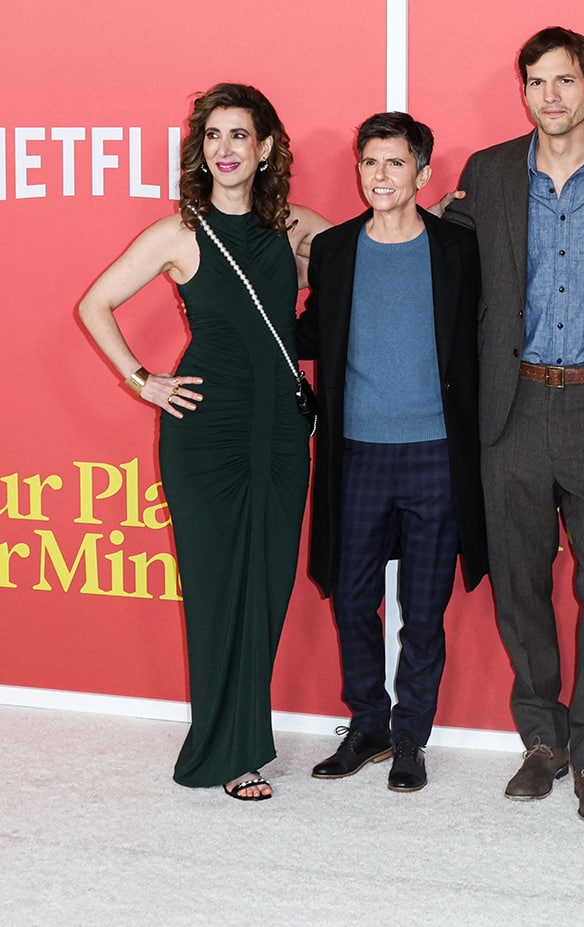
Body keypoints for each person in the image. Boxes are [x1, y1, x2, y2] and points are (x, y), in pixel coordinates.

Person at [77, 82, 329, 800]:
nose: (225, 148)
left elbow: (377, 245)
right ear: (201, 149)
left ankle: (241, 732)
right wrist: (141, 379)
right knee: (218, 588)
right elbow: (94, 303)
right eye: (214, 135)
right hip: (205, 434)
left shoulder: (295, 227)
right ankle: (231, 751)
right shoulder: (177, 233)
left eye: (240, 135)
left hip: (281, 430)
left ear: (266, 148)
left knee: (269, 584)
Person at [442, 26, 584, 823]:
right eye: (536, 82)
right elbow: (445, 259)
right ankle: (543, 738)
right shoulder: (490, 172)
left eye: (565, 81)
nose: (551, 96)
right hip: (514, 405)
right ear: (524, 91)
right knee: (519, 581)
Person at [297, 113, 488, 793]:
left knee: (425, 609)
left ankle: (411, 735)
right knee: (350, 598)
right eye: (370, 162)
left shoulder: (457, 249)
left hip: (436, 454)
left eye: (395, 163)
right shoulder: (336, 249)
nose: (380, 175)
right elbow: (316, 330)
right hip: (356, 455)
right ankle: (368, 721)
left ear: (423, 173)